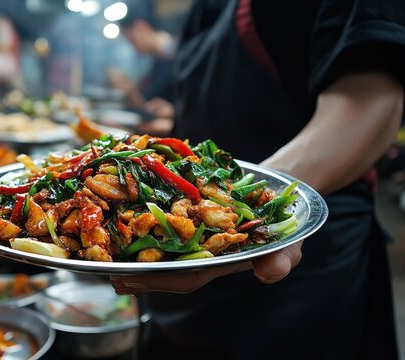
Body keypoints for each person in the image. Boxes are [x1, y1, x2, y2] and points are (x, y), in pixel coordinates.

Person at [110, 1, 405, 359]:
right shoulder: (204, 11)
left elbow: (373, 101)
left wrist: (258, 202)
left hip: (303, 278)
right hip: (185, 282)